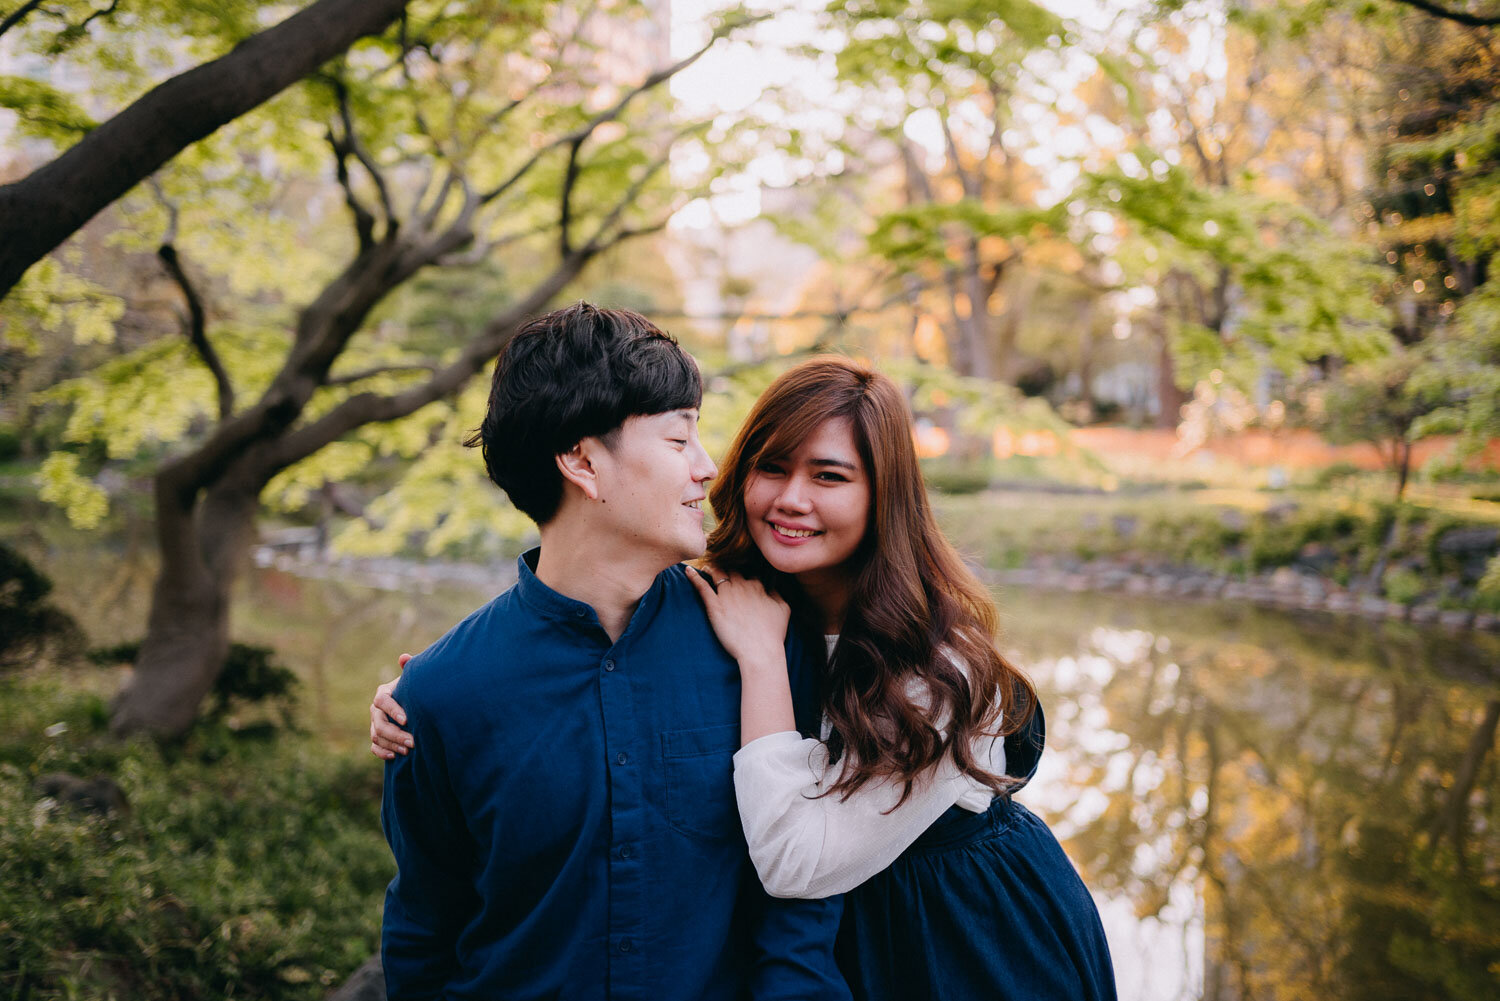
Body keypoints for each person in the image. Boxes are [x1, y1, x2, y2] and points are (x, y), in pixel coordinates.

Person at [372, 357, 1115, 1000]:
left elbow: (796, 860)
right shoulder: (729, 594)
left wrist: (762, 662)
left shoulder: (928, 664)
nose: (791, 498)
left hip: (959, 928)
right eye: (770, 466)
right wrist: (435, 693)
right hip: (845, 928)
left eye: (829, 476)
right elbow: (577, 602)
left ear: (881, 495)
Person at [374, 303, 849, 1001]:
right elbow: (424, 929)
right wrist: (421, 697)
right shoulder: (439, 696)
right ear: (582, 461)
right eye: (678, 439)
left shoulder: (762, 642)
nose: (707, 468)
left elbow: (799, 910)